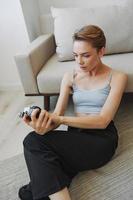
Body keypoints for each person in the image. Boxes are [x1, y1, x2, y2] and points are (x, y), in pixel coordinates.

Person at [18, 25, 127, 200]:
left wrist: (60, 119)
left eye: (86, 55)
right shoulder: (69, 77)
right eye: (76, 56)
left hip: (102, 140)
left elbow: (103, 121)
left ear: (101, 52)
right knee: (28, 193)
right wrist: (43, 124)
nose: (79, 62)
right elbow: (57, 116)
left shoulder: (117, 77)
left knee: (33, 143)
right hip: (76, 136)